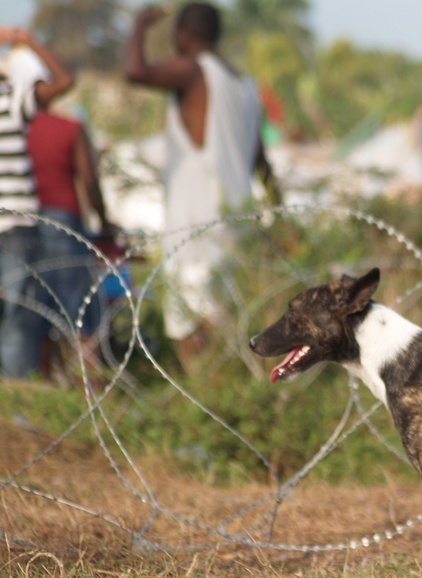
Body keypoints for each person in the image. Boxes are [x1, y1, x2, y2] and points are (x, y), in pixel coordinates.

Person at [124, 2, 279, 371]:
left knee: (188, 323)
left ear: (183, 35)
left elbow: (135, 71)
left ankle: (203, 396)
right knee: (227, 313)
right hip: (235, 215)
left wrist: (140, 23)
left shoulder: (195, 70)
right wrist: (281, 216)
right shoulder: (244, 87)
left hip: (196, 218)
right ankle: (224, 391)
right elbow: (261, 160)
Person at [23, 50, 118, 373]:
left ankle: (37, 389)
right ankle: (88, 384)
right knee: (79, 310)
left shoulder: (13, 129)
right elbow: (89, 181)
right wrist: (104, 221)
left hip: (19, 225)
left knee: (32, 312)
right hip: (63, 222)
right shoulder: (68, 128)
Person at [0, 29, 74, 379]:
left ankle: (13, 391)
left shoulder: (12, 100)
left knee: (18, 312)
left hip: (16, 226)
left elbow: (64, 81)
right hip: (17, 227)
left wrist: (26, 40)